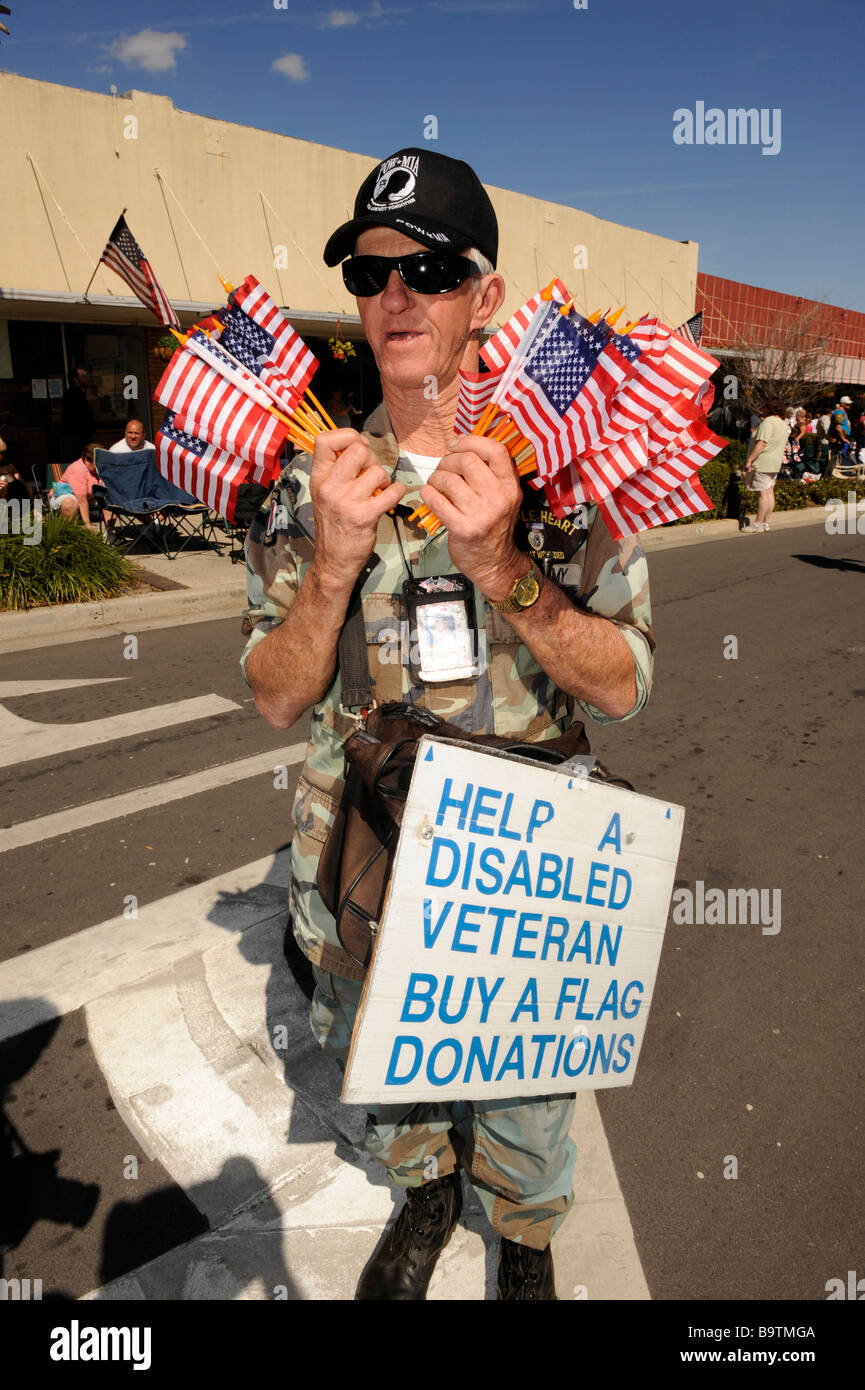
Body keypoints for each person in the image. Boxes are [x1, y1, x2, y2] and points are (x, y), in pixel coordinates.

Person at [241, 148, 655, 1301]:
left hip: (515, 859)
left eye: (431, 268)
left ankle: (522, 1236)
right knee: (389, 1075)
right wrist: (328, 568)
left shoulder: (571, 473)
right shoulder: (304, 476)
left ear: (487, 296)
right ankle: (424, 1191)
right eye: (371, 272)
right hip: (363, 853)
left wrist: (507, 568)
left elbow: (623, 683)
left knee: (524, 1095)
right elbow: (275, 694)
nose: (398, 295)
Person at [742, 400, 787, 532]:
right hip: (775, 462)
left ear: (769, 408)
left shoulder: (768, 422)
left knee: (762, 494)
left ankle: (757, 523)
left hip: (763, 462)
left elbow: (762, 443)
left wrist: (750, 460)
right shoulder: (782, 424)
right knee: (769, 492)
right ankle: (765, 523)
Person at [49, 444, 113, 531]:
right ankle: (70, 534)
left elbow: (105, 494)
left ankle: (110, 532)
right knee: (69, 503)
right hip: (66, 495)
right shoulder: (78, 468)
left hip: (88, 498)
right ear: (87, 460)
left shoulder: (101, 468)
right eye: (97, 464)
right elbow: (82, 501)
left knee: (110, 497)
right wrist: (88, 528)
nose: (100, 467)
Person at [60, 367, 95, 464]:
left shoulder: (80, 393)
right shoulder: (73, 394)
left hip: (79, 439)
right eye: (83, 376)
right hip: (76, 441)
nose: (87, 378)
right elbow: (78, 419)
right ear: (75, 379)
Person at [825, 396, 853, 474]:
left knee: (837, 459)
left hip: (840, 440)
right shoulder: (839, 412)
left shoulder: (842, 412)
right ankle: (832, 475)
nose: (849, 406)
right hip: (838, 440)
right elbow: (838, 427)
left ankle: (833, 474)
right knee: (836, 459)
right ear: (842, 404)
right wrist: (844, 438)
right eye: (847, 404)